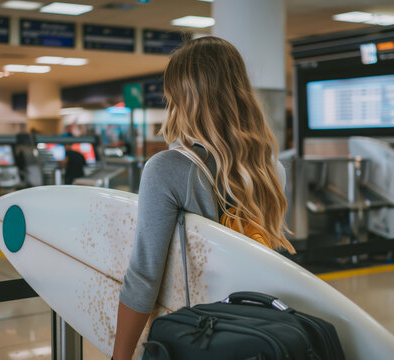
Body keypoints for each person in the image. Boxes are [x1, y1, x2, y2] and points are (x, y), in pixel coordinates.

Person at [112, 36, 296, 360]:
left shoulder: (167, 169)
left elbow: (144, 276)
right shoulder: (271, 172)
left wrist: (119, 357)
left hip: (193, 337)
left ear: (185, 100)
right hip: (255, 334)